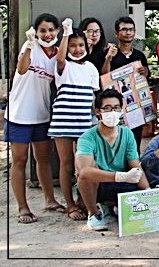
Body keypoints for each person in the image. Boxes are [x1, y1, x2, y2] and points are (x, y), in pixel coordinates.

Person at [7, 14, 65, 224]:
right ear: (36, 32)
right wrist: (30, 44)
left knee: (43, 158)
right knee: (20, 160)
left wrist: (68, 35)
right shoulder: (30, 46)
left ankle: (50, 200)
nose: (47, 34)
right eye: (43, 31)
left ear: (57, 31)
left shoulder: (58, 53)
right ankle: (23, 207)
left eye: (51, 30)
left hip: (42, 114)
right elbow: (22, 69)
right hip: (19, 114)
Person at [75, 88, 149, 231]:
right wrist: (120, 176)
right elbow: (84, 172)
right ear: (98, 111)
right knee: (85, 175)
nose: (112, 112)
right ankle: (94, 214)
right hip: (99, 185)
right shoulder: (87, 137)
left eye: (116, 108)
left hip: (123, 183)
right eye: (107, 108)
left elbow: (135, 166)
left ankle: (109, 206)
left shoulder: (127, 133)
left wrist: (148, 191)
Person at [49, 21, 100, 221]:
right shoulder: (62, 66)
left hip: (84, 123)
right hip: (63, 122)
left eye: (80, 45)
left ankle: (84, 201)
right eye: (72, 45)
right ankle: (70, 205)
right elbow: (60, 58)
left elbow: (94, 97)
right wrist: (65, 33)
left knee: (84, 166)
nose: (77, 49)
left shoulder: (91, 68)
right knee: (66, 164)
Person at [101, 16, 150, 148]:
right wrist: (108, 59)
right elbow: (104, 76)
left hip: (135, 106)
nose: (128, 33)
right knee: (115, 142)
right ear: (116, 33)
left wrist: (145, 72)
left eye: (131, 30)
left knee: (135, 143)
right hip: (115, 106)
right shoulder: (109, 53)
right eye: (124, 29)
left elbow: (146, 78)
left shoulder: (139, 55)